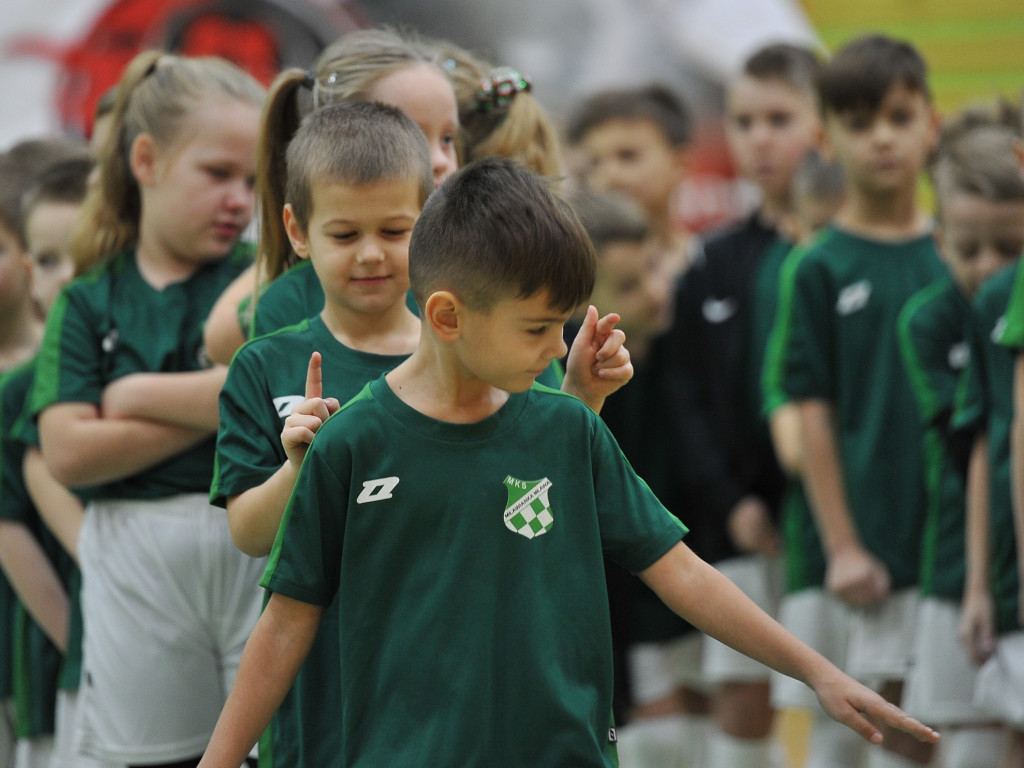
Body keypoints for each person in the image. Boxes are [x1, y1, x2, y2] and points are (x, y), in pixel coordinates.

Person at [196, 156, 939, 768]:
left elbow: (681, 571)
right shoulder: (352, 445)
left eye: (564, 325)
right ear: (449, 316)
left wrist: (818, 671)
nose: (559, 350)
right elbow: (286, 623)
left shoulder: (566, 427)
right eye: (537, 329)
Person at [213, 100, 632, 768]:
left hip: (462, 695)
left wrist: (582, 395)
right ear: (297, 230)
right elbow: (251, 536)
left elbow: (534, 480)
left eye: (395, 229)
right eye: (346, 235)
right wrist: (299, 467)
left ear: (429, 223)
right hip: (332, 684)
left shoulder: (490, 336)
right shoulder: (267, 363)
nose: (373, 254)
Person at [28, 50, 266, 768]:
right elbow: (67, 451)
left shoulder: (265, 280)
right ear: (145, 159)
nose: (239, 199)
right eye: (218, 174)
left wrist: (131, 397)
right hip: (133, 563)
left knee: (274, 752)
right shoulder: (88, 297)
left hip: (254, 544)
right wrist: (219, 401)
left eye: (254, 181)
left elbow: (280, 399)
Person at [764, 34, 945, 768]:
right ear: (826, 139)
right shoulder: (819, 267)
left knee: (941, 734)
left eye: (900, 117)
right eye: (859, 121)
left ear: (932, 125)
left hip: (942, 547)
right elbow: (811, 408)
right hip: (860, 550)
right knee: (870, 734)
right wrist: (840, 546)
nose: (882, 138)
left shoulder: (958, 255)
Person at [663, 42, 823, 768]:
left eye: (779, 118)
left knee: (852, 697)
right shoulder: (715, 260)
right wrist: (731, 505)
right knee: (743, 696)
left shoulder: (844, 253)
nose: (759, 137)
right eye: (744, 120)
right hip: (744, 524)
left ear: (826, 126)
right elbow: (686, 396)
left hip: (832, 522)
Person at [202, 26, 461, 365]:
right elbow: (233, 362)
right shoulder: (287, 298)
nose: (441, 161)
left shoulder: (472, 273)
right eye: (410, 134)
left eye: (447, 138)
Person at [568, 188, 712, 768]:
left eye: (654, 267)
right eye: (628, 287)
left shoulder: (683, 345)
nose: (656, 292)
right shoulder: (576, 396)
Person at [898, 118, 1024, 768]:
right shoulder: (930, 320)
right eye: (971, 250)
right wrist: (977, 581)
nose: (990, 269)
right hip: (959, 562)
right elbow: (968, 443)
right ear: (941, 240)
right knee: (965, 740)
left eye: (1009, 247)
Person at [0, 156, 102, 768]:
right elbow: (10, 533)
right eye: (47, 260)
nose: (65, 278)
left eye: (80, 258)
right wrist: (85, 644)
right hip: (56, 664)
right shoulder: (19, 394)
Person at [566, 84, 694, 279]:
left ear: (678, 163)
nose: (610, 176)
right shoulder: (575, 275)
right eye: (593, 163)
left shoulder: (711, 260)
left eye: (628, 156)